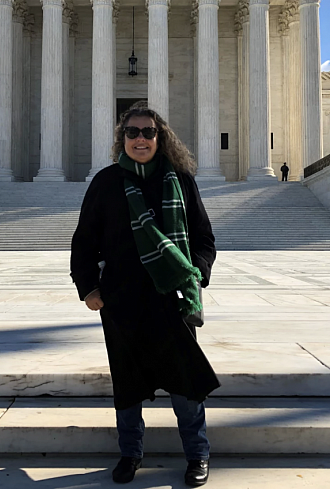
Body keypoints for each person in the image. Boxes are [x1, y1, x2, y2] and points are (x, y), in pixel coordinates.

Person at [71, 102, 219, 486]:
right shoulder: (106, 182)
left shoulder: (181, 180)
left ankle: (198, 455)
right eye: (132, 132)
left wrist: (195, 276)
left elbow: (203, 239)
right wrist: (88, 287)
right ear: (122, 139)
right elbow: (84, 241)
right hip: (123, 300)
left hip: (173, 300)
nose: (140, 139)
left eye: (147, 132)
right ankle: (130, 453)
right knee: (129, 384)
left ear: (160, 137)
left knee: (186, 385)